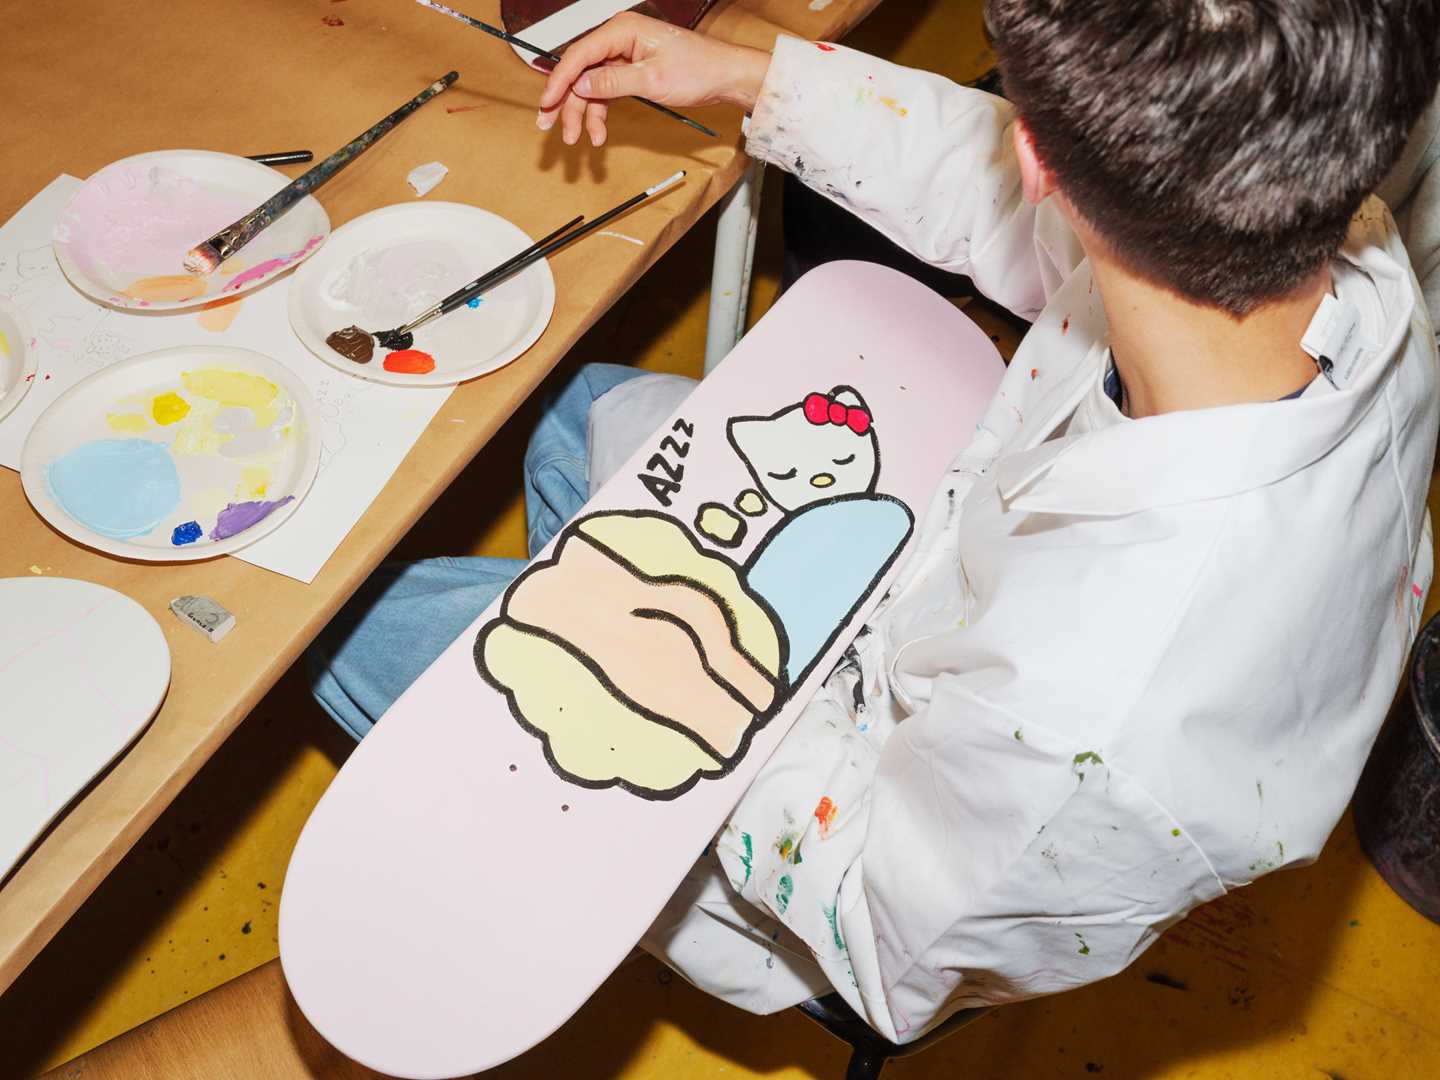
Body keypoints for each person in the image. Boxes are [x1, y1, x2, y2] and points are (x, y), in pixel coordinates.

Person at [311, 1, 1440, 1042]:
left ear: (1038, 157)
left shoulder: (1093, 724)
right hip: (933, 597)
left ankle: (518, 824)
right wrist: (752, 78)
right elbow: (1023, 195)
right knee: (573, 412)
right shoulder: (1353, 258)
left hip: (828, 868)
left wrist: (673, 669)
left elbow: (882, 939)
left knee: (336, 616)